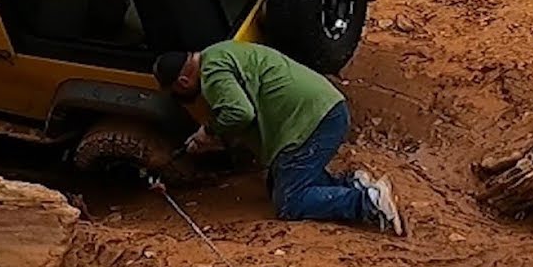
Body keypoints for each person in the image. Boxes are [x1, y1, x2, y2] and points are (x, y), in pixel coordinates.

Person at [153, 40, 407, 236]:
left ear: (183, 81)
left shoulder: (212, 74)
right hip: (323, 110)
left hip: (312, 122)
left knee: (290, 203)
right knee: (279, 184)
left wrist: (208, 132)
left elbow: (240, 112)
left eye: (176, 92)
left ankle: (369, 202)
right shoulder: (219, 52)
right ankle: (353, 185)